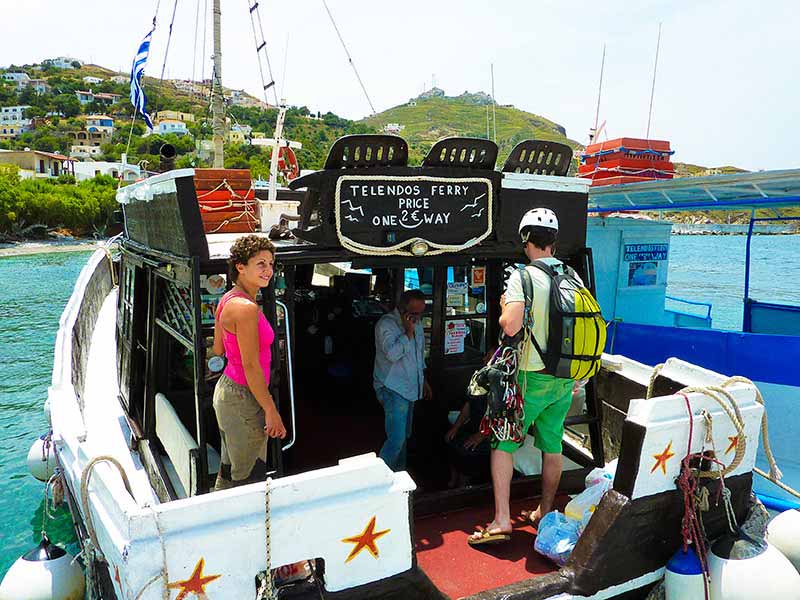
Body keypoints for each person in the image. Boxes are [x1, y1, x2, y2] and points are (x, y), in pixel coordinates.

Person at [469, 207, 576, 545]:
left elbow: (511, 325)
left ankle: (502, 520)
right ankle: (544, 511)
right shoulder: (572, 276)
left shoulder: (524, 276)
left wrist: (504, 306)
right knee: (552, 445)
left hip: (531, 378)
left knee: (502, 444)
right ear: (554, 243)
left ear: (526, 239)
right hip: (565, 379)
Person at [212, 235, 286, 490]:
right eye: (261, 264)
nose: (269, 270)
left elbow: (217, 348)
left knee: (231, 470)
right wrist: (270, 410)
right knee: (248, 479)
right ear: (240, 267)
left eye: (271, 263)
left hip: (229, 391)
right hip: (244, 397)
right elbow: (251, 366)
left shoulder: (228, 299)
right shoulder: (246, 308)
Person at [373, 289, 432, 471]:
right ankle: (380, 478)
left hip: (410, 386)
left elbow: (418, 355)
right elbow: (392, 354)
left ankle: (399, 475)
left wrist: (424, 381)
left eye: (421, 313)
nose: (418, 317)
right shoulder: (386, 325)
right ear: (402, 308)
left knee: (403, 438)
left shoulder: (417, 323)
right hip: (392, 387)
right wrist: (407, 333)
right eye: (414, 313)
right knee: (396, 440)